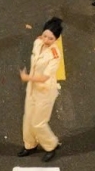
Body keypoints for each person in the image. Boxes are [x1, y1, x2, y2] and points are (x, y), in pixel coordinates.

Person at [17, 17, 63, 160]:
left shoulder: (55, 55)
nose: (46, 40)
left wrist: (27, 77)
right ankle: (29, 144)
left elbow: (45, 77)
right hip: (32, 88)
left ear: (56, 38)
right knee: (28, 118)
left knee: (38, 123)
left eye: (50, 38)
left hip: (45, 91)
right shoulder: (38, 42)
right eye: (44, 35)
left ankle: (51, 144)